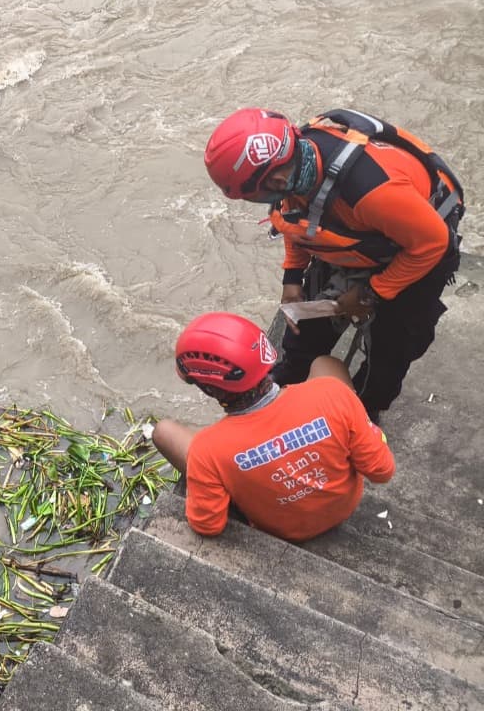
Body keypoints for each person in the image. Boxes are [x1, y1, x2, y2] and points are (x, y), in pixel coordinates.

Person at [203, 108, 465, 423]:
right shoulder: (296, 165)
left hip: (416, 244)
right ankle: (291, 376)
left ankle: (368, 405)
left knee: (392, 344)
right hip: (360, 234)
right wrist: (293, 277)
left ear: (276, 179)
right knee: (307, 322)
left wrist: (371, 293)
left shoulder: (372, 192)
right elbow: (292, 217)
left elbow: (433, 244)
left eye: (252, 197)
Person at [151, 312, 395, 542]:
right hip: (341, 508)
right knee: (327, 364)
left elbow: (208, 525)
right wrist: (354, 429)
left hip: (282, 528)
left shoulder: (208, 450)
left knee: (163, 431)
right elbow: (382, 471)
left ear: (208, 388)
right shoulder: (333, 394)